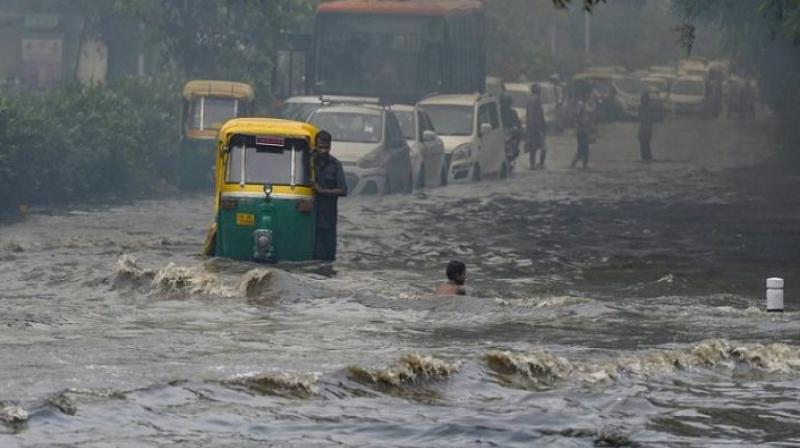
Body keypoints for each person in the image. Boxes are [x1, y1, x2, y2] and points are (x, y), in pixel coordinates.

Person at [313, 130, 348, 261]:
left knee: (327, 258)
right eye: (320, 147)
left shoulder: (335, 165)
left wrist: (322, 191)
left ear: (330, 147)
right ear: (315, 146)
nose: (323, 151)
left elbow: (343, 190)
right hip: (310, 216)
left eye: (326, 148)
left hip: (328, 218)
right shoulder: (308, 162)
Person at [525, 84, 547, 169]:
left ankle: (532, 165)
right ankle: (541, 164)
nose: (540, 91)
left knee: (532, 148)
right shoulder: (537, 99)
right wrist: (543, 126)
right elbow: (539, 114)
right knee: (544, 147)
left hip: (530, 127)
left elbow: (529, 115)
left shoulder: (529, 100)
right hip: (537, 127)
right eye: (539, 89)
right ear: (536, 90)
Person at [499, 93, 522, 170]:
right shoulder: (497, 112)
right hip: (499, 136)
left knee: (515, 148)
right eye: (504, 102)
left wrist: (515, 128)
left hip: (510, 136)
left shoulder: (513, 113)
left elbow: (518, 125)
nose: (506, 104)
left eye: (507, 102)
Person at [570, 98, 591, 170]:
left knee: (583, 148)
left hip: (584, 129)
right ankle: (581, 165)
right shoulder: (580, 104)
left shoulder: (585, 104)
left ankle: (580, 165)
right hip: (581, 130)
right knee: (583, 148)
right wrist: (580, 123)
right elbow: (576, 115)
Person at [638, 92, 654, 162]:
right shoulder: (641, 108)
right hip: (642, 130)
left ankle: (647, 159)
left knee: (646, 146)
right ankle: (645, 158)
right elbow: (641, 122)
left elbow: (648, 121)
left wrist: (649, 132)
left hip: (646, 130)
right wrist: (639, 132)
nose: (642, 101)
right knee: (643, 146)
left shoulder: (648, 109)